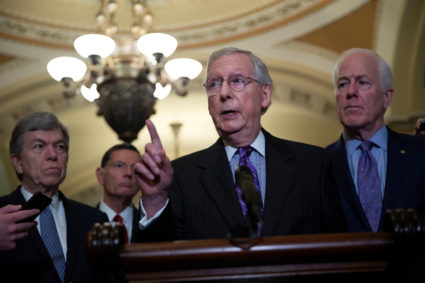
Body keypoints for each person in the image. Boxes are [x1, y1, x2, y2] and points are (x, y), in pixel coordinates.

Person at [134, 47, 346, 241]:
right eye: (214, 84)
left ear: (264, 95)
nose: (224, 93)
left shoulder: (313, 163)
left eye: (237, 81)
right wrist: (155, 200)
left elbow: (339, 247)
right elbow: (164, 262)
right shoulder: (181, 175)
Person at [0, 111, 108, 283]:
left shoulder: (94, 220)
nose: (52, 155)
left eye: (60, 146)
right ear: (17, 162)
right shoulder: (1, 214)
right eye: (39, 146)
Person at [326, 48, 425, 233]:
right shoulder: (318, 166)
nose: (351, 92)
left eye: (363, 82)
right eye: (343, 84)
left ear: (387, 97)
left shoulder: (419, 153)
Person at [95, 143, 142, 243]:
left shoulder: (148, 225)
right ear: (100, 175)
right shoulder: (81, 223)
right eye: (119, 165)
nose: (129, 173)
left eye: (135, 168)